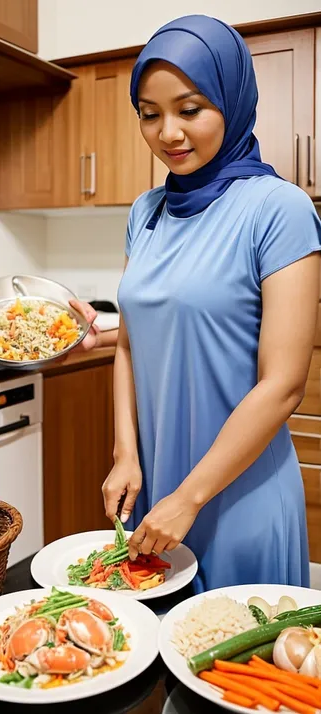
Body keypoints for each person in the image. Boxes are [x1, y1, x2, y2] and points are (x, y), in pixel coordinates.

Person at [76, 15, 321, 594]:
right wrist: (124, 455)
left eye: (190, 109)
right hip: (158, 489)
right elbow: (131, 343)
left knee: (242, 672)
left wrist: (190, 496)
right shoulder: (146, 211)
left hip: (238, 494)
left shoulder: (279, 208)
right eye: (149, 112)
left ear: (232, 102)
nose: (168, 133)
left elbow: (283, 384)